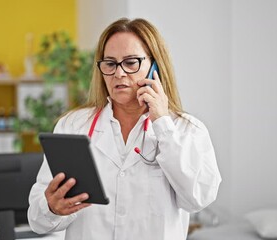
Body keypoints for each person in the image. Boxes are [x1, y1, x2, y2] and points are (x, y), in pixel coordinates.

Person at [27, 17, 222, 240]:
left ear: (155, 67)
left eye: (131, 62)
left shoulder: (187, 130)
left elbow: (197, 199)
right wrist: (52, 208)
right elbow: (36, 220)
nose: (119, 73)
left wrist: (162, 124)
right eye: (110, 63)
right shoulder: (73, 126)